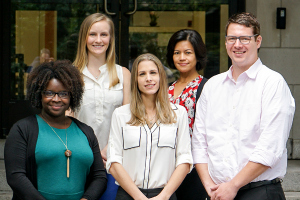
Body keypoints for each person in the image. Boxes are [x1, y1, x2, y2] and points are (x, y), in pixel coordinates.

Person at [192, 12, 295, 200]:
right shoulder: (212, 87)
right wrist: (209, 186)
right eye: (232, 38)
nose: (237, 45)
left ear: (258, 41)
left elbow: (270, 149)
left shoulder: (272, 83)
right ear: (225, 42)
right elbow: (199, 143)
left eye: (245, 38)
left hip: (259, 192)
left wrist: (233, 185)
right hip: (216, 193)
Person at [4, 60, 107, 200]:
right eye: (50, 93)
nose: (56, 99)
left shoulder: (86, 131)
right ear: (39, 94)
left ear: (72, 96)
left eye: (63, 94)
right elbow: (15, 176)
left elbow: (99, 176)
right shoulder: (23, 130)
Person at [106, 53, 193, 200]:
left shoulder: (178, 114)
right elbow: (114, 162)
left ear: (161, 77)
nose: (148, 78)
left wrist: (164, 196)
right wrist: (139, 197)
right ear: (135, 80)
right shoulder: (120, 115)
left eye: (153, 73)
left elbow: (184, 159)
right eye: (142, 74)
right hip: (128, 195)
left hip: (165, 195)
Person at [72, 13, 131, 200]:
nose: (98, 40)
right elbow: (66, 120)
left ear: (111, 38)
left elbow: (128, 120)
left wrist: (106, 150)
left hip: (114, 160)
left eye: (104, 34)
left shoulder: (123, 74)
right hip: (78, 159)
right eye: (92, 34)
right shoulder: (71, 74)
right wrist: (89, 151)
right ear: (84, 38)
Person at [166, 29, 208, 200]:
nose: (182, 57)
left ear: (197, 55)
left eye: (187, 52)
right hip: (167, 165)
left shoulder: (206, 88)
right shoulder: (165, 90)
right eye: (177, 53)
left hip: (194, 166)